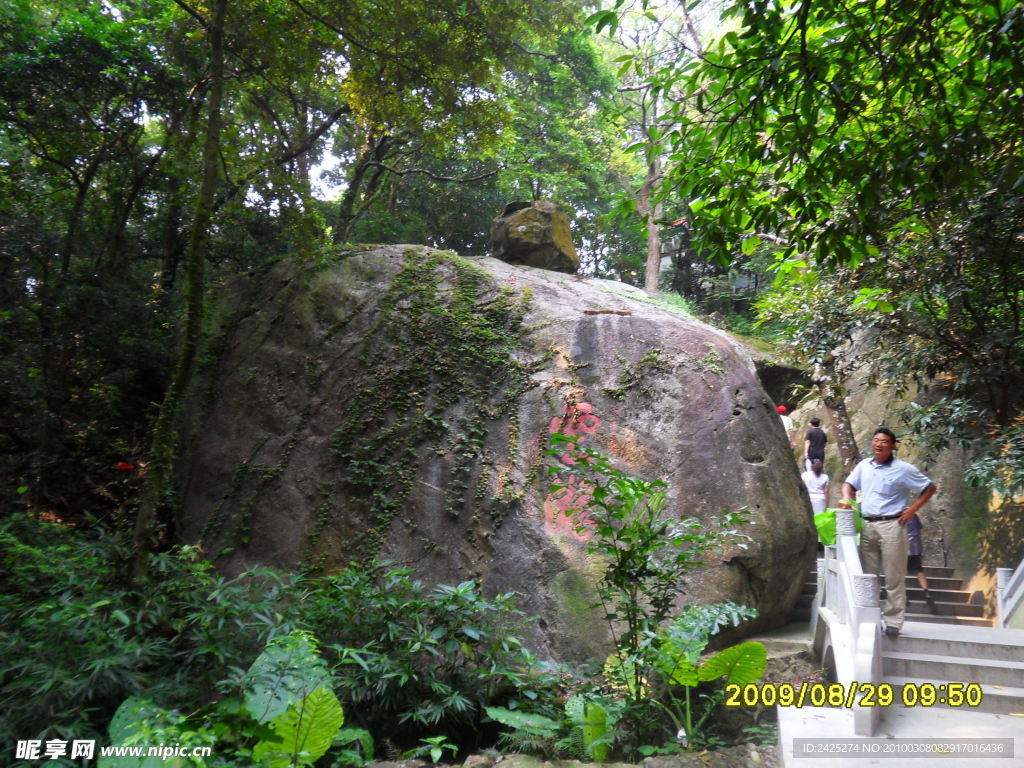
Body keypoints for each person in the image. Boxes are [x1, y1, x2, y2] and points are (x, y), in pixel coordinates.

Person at [841, 427, 937, 637]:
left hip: (893, 526)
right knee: (868, 575)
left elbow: (929, 487)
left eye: (884, 441)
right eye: (875, 440)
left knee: (893, 577)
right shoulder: (864, 466)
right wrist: (847, 497)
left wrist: (912, 510)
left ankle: (893, 621)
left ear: (893, 445)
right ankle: (868, 617)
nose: (878, 444)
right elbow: (848, 484)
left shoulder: (903, 469)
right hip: (867, 526)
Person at [906, 515, 936, 613]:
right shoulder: (913, 514)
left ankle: (903, 596)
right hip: (915, 547)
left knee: (899, 570)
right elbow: (919, 528)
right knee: (919, 569)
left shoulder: (897, 513)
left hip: (903, 546)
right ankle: (926, 592)